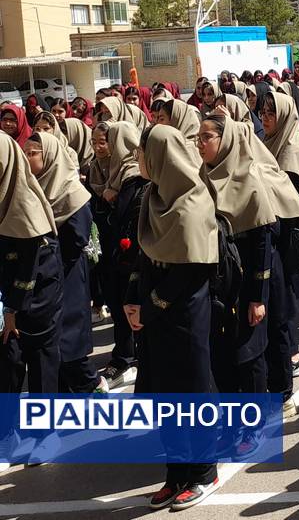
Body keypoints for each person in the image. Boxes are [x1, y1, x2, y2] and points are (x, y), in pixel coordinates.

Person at [126, 124, 220, 509]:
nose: (138, 161)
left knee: (192, 389)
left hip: (185, 311)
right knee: (165, 392)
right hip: (155, 311)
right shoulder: (153, 195)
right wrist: (134, 302)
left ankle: (204, 473)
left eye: (143, 154)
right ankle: (176, 472)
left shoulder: (193, 201)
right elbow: (144, 256)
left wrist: (151, 305)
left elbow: (190, 270)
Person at [199, 114, 299, 419]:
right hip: (226, 278)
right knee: (238, 346)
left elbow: (263, 238)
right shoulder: (203, 176)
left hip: (260, 273)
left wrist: (258, 295)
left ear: (227, 140)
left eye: (207, 137)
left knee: (263, 340)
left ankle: (279, 396)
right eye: (199, 137)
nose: (200, 144)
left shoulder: (250, 179)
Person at [25, 133, 100, 394]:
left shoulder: (72, 192)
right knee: (54, 342)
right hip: (48, 275)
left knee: (70, 336)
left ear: (49, 156)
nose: (27, 157)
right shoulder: (33, 188)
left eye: (32, 152)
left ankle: (92, 387)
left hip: (68, 272)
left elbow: (76, 239)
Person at [258, 89, 299, 391]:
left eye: (271, 113)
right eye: (262, 113)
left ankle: (293, 355)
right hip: (279, 237)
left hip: (288, 238)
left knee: (284, 302)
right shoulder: (269, 144)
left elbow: (288, 203)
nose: (265, 119)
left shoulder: (290, 151)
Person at [0, 132, 62, 405]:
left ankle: (45, 433)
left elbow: (29, 268)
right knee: (10, 360)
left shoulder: (24, 204)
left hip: (37, 297)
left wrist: (11, 310)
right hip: (9, 298)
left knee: (39, 360)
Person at [99, 121, 147, 388]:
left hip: (128, 256)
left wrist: (109, 198)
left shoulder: (131, 174)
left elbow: (120, 218)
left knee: (126, 305)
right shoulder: (118, 172)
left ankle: (127, 356)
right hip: (120, 254)